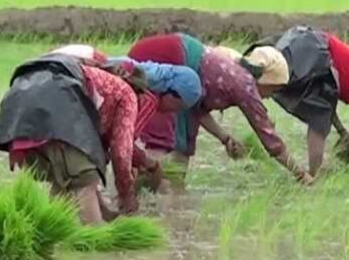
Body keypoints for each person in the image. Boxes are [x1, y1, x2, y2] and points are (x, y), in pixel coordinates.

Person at [0, 54, 155, 224]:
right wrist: (126, 195)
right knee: (85, 181)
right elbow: (121, 153)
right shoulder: (126, 93)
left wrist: (105, 211)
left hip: (16, 112)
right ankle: (96, 243)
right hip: (57, 107)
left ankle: (48, 237)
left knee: (63, 182)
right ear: (135, 88)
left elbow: (79, 163)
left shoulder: (91, 78)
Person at [128, 33, 311, 185]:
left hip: (172, 55)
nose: (271, 96)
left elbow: (197, 109)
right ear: (267, 80)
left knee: (183, 146)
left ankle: (167, 193)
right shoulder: (245, 85)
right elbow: (270, 139)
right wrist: (301, 174)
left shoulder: (233, 72)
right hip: (167, 58)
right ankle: (137, 190)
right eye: (274, 88)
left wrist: (225, 138)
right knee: (163, 141)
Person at [242, 27, 349, 176]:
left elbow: (327, 103)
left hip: (306, 42)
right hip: (315, 49)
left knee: (317, 114)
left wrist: (341, 132)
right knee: (272, 72)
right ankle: (314, 173)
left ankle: (313, 174)